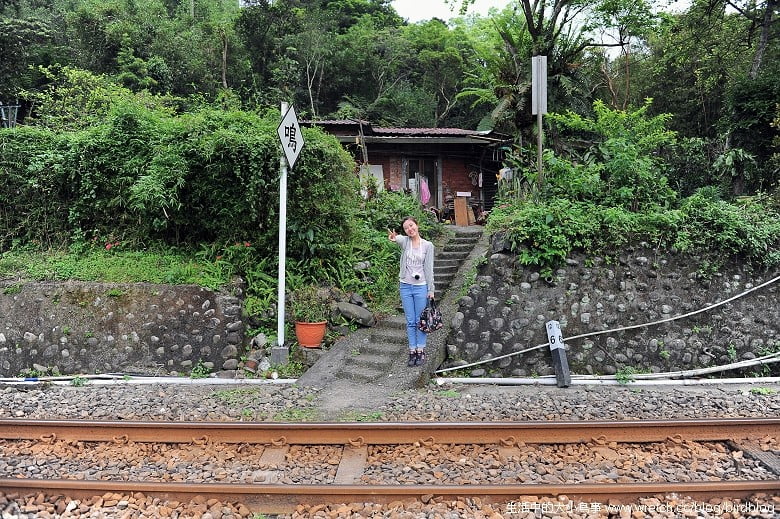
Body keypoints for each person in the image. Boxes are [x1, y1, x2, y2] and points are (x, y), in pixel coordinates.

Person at [388, 217, 435, 367]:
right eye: (406, 228)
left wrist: (431, 289)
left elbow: (429, 269)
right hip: (405, 286)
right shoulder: (405, 242)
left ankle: (421, 350)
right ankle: (412, 351)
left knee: (420, 320)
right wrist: (394, 237)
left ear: (417, 225)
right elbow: (397, 238)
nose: (410, 229)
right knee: (410, 321)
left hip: (421, 286)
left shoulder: (428, 245)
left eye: (411, 225)